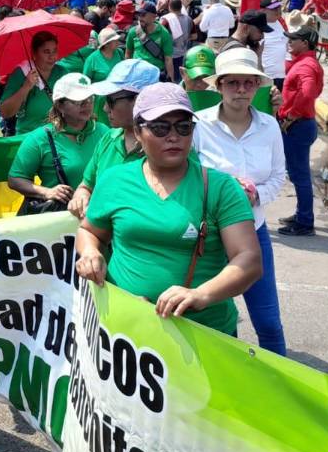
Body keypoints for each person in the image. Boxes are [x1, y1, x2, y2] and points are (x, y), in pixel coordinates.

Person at [76, 83, 263, 337]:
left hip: (203, 335)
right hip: (126, 332)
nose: (173, 136)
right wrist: (89, 252)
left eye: (183, 127)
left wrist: (201, 294)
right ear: (138, 132)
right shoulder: (114, 180)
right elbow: (90, 230)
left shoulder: (221, 187)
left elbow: (249, 260)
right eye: (160, 128)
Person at [193, 48, 287, 354]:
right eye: (233, 82)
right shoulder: (198, 124)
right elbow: (187, 175)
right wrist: (221, 193)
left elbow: (277, 175)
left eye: (248, 83)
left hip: (253, 231)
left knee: (269, 322)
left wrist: (256, 194)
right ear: (218, 85)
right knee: (218, 318)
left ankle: (280, 388)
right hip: (210, 236)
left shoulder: (269, 126)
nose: (241, 90)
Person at [68, 59, 161, 219]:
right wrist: (80, 197)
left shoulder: (168, 147)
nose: (104, 108)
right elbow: (86, 186)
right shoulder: (107, 139)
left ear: (139, 99)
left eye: (111, 101)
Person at [8, 74, 107, 211]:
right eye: (78, 101)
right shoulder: (39, 138)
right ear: (60, 106)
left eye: (90, 98)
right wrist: (47, 192)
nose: (87, 105)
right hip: (61, 220)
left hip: (99, 214)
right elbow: (15, 179)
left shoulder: (104, 132)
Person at [276, 25, 324, 237]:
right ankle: (301, 214)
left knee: (300, 175)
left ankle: (305, 222)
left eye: (293, 39)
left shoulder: (305, 66)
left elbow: (308, 92)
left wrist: (293, 114)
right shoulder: (306, 63)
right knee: (297, 174)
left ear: (304, 43)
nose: (289, 42)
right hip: (301, 123)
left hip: (298, 125)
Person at [0, 30, 63, 135]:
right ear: (34, 53)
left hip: (58, 136)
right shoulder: (22, 73)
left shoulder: (62, 71)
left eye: (54, 50)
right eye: (46, 52)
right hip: (28, 138)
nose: (52, 56)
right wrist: (26, 86)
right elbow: (5, 112)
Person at [125, 3, 174, 80]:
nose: (140, 18)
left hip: (156, 76)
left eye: (143, 15)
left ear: (153, 17)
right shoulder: (133, 32)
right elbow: (128, 53)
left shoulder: (163, 33)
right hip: (137, 76)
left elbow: (168, 59)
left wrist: (171, 80)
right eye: (139, 15)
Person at [162, 0, 193, 81]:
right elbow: (195, 36)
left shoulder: (166, 20)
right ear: (180, 7)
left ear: (169, 7)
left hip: (170, 56)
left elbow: (160, 37)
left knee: (171, 80)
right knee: (181, 79)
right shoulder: (189, 19)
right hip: (184, 54)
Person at [258, 0, 288, 89]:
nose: (278, 11)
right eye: (274, 9)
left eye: (279, 7)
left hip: (282, 76)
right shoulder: (259, 27)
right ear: (263, 10)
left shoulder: (279, 23)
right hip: (267, 77)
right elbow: (256, 53)